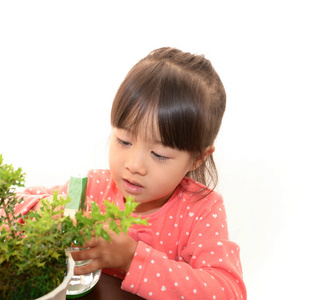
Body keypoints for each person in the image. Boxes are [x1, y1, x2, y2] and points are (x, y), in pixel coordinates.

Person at [14, 47, 246, 299]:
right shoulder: (95, 187)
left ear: (197, 159)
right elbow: (10, 207)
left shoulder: (201, 209)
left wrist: (131, 258)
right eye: (124, 141)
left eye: (159, 155)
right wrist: (45, 212)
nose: (134, 165)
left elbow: (228, 291)